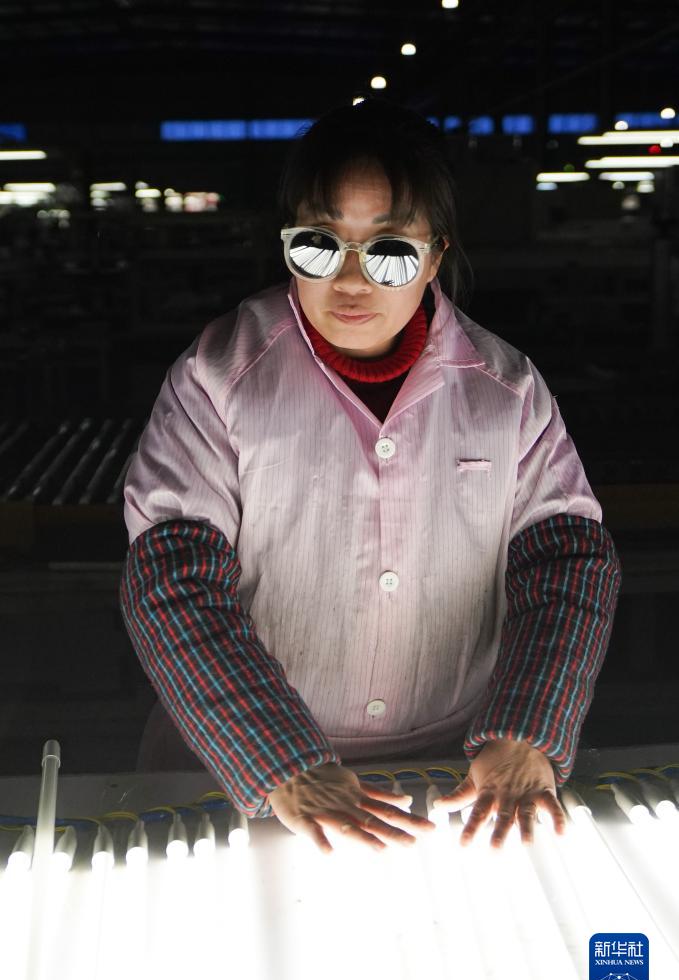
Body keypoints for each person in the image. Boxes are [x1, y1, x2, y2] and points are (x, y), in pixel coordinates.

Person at [120, 99, 621, 855]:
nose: (350, 280)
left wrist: (525, 732)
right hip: (236, 776)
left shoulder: (506, 390)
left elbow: (567, 562)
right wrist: (279, 760)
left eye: (388, 252)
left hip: (454, 779)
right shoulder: (217, 378)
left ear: (435, 254)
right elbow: (172, 580)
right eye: (319, 246)